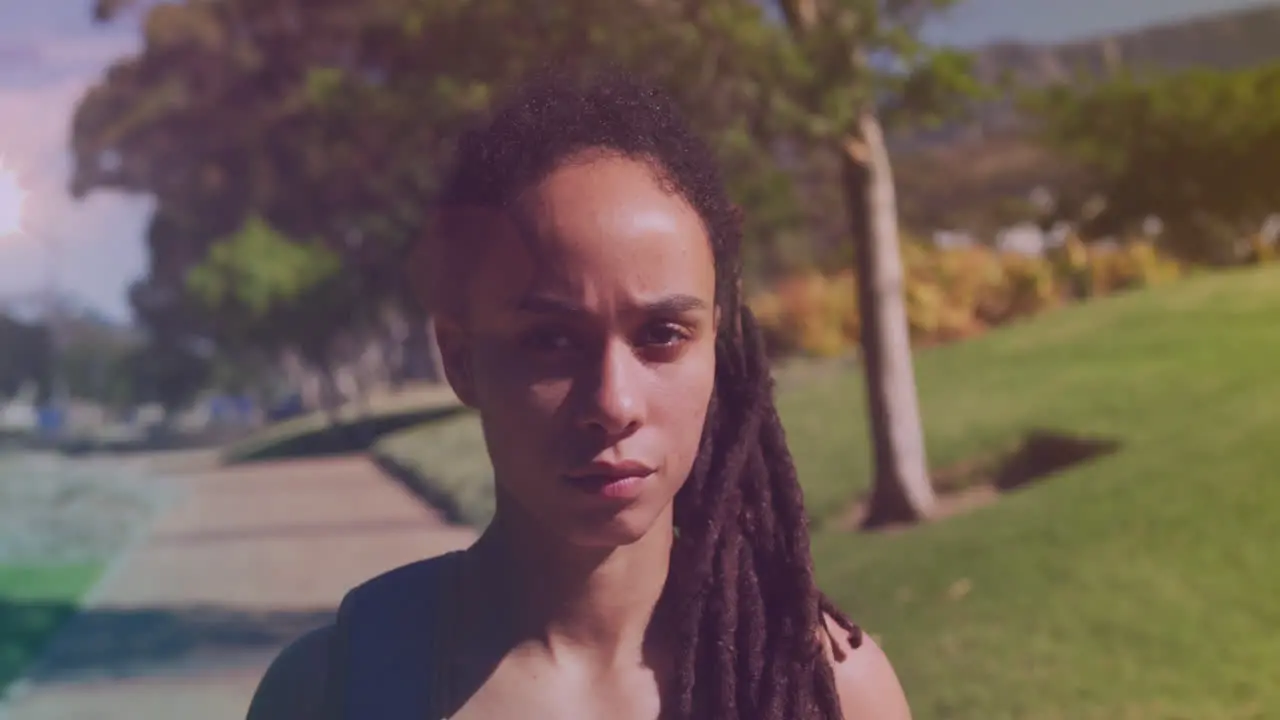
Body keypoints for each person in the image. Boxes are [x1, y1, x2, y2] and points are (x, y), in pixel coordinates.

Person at [246, 69, 911, 720]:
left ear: (718, 347)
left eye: (662, 335)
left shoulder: (819, 689)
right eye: (551, 341)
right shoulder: (332, 690)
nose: (613, 403)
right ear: (461, 359)